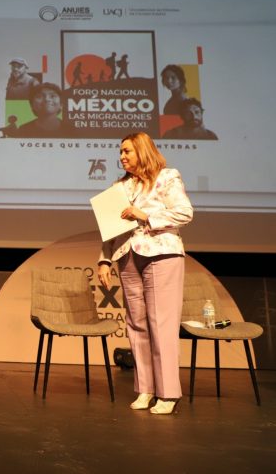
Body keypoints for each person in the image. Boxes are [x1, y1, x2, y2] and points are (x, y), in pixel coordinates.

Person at [97, 132, 193, 415]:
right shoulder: (119, 186)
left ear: (142, 151)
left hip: (162, 254)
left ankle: (168, 392)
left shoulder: (167, 177)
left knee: (161, 323)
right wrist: (104, 261)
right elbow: (109, 228)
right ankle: (145, 389)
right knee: (136, 324)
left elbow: (185, 213)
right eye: (120, 152)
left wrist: (145, 215)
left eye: (127, 151)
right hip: (127, 256)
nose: (122, 156)